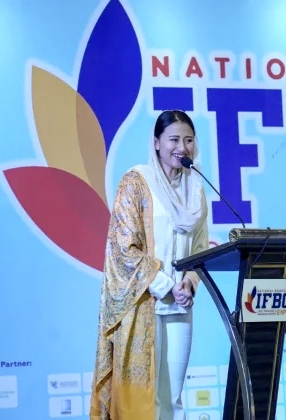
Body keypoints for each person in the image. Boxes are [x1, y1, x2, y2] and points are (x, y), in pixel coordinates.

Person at [90, 110, 209, 420]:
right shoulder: (136, 182)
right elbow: (124, 249)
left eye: (188, 140)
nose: (182, 147)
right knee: (143, 402)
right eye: (174, 140)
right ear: (156, 143)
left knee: (173, 398)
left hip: (180, 306)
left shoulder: (195, 189)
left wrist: (189, 284)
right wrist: (167, 286)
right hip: (143, 303)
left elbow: (200, 249)